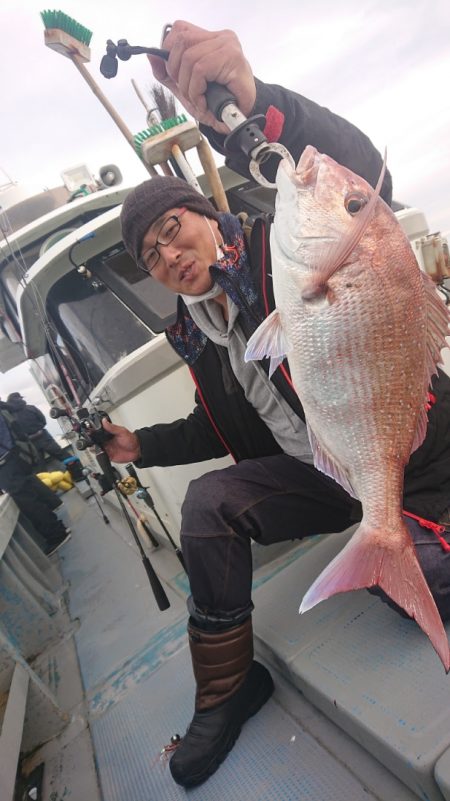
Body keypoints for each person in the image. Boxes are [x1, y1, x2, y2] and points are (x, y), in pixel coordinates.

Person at [101, 21, 450, 788]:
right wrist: (141, 447)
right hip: (322, 468)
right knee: (208, 504)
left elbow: (365, 195)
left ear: (203, 212)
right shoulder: (194, 331)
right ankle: (228, 690)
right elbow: (221, 421)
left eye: (173, 229)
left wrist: (259, 102)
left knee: (418, 579)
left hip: (396, 449)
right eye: (153, 256)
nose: (171, 255)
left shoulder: (280, 247)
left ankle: (412, 537)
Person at [0, 399, 71, 555]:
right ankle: (58, 527)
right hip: (17, 455)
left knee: (27, 501)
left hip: (6, 463)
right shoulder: (5, 407)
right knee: (31, 491)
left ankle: (57, 534)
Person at [6, 392, 67, 467]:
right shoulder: (31, 408)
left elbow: (12, 432)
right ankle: (78, 473)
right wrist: (38, 430)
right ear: (20, 399)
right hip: (43, 436)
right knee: (63, 456)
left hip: (29, 444)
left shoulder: (9, 415)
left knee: (39, 467)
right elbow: (43, 421)